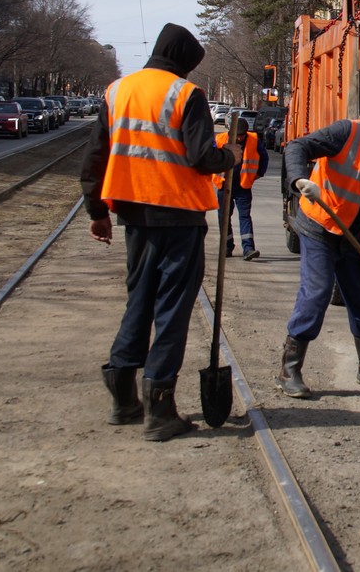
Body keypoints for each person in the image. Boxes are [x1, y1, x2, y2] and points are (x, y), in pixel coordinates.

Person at [81, 23, 242, 442]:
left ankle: (123, 400)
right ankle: (160, 410)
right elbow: (202, 157)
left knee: (139, 302)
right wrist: (230, 155)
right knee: (171, 311)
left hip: (134, 216)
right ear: (184, 60)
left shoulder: (117, 90)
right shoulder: (187, 94)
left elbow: (96, 155)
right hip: (179, 216)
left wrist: (97, 212)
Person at [276, 98, 360, 397]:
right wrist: (299, 180)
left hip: (354, 235)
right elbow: (297, 146)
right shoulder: (347, 132)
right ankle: (289, 370)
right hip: (320, 227)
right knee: (317, 293)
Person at [214, 116, 269, 260]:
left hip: (243, 186)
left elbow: (264, 157)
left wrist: (259, 174)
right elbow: (210, 157)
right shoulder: (220, 139)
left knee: (244, 216)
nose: (239, 138)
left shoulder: (253, 140)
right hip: (224, 185)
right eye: (237, 135)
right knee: (224, 217)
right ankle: (227, 247)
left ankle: (248, 249)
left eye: (242, 135)